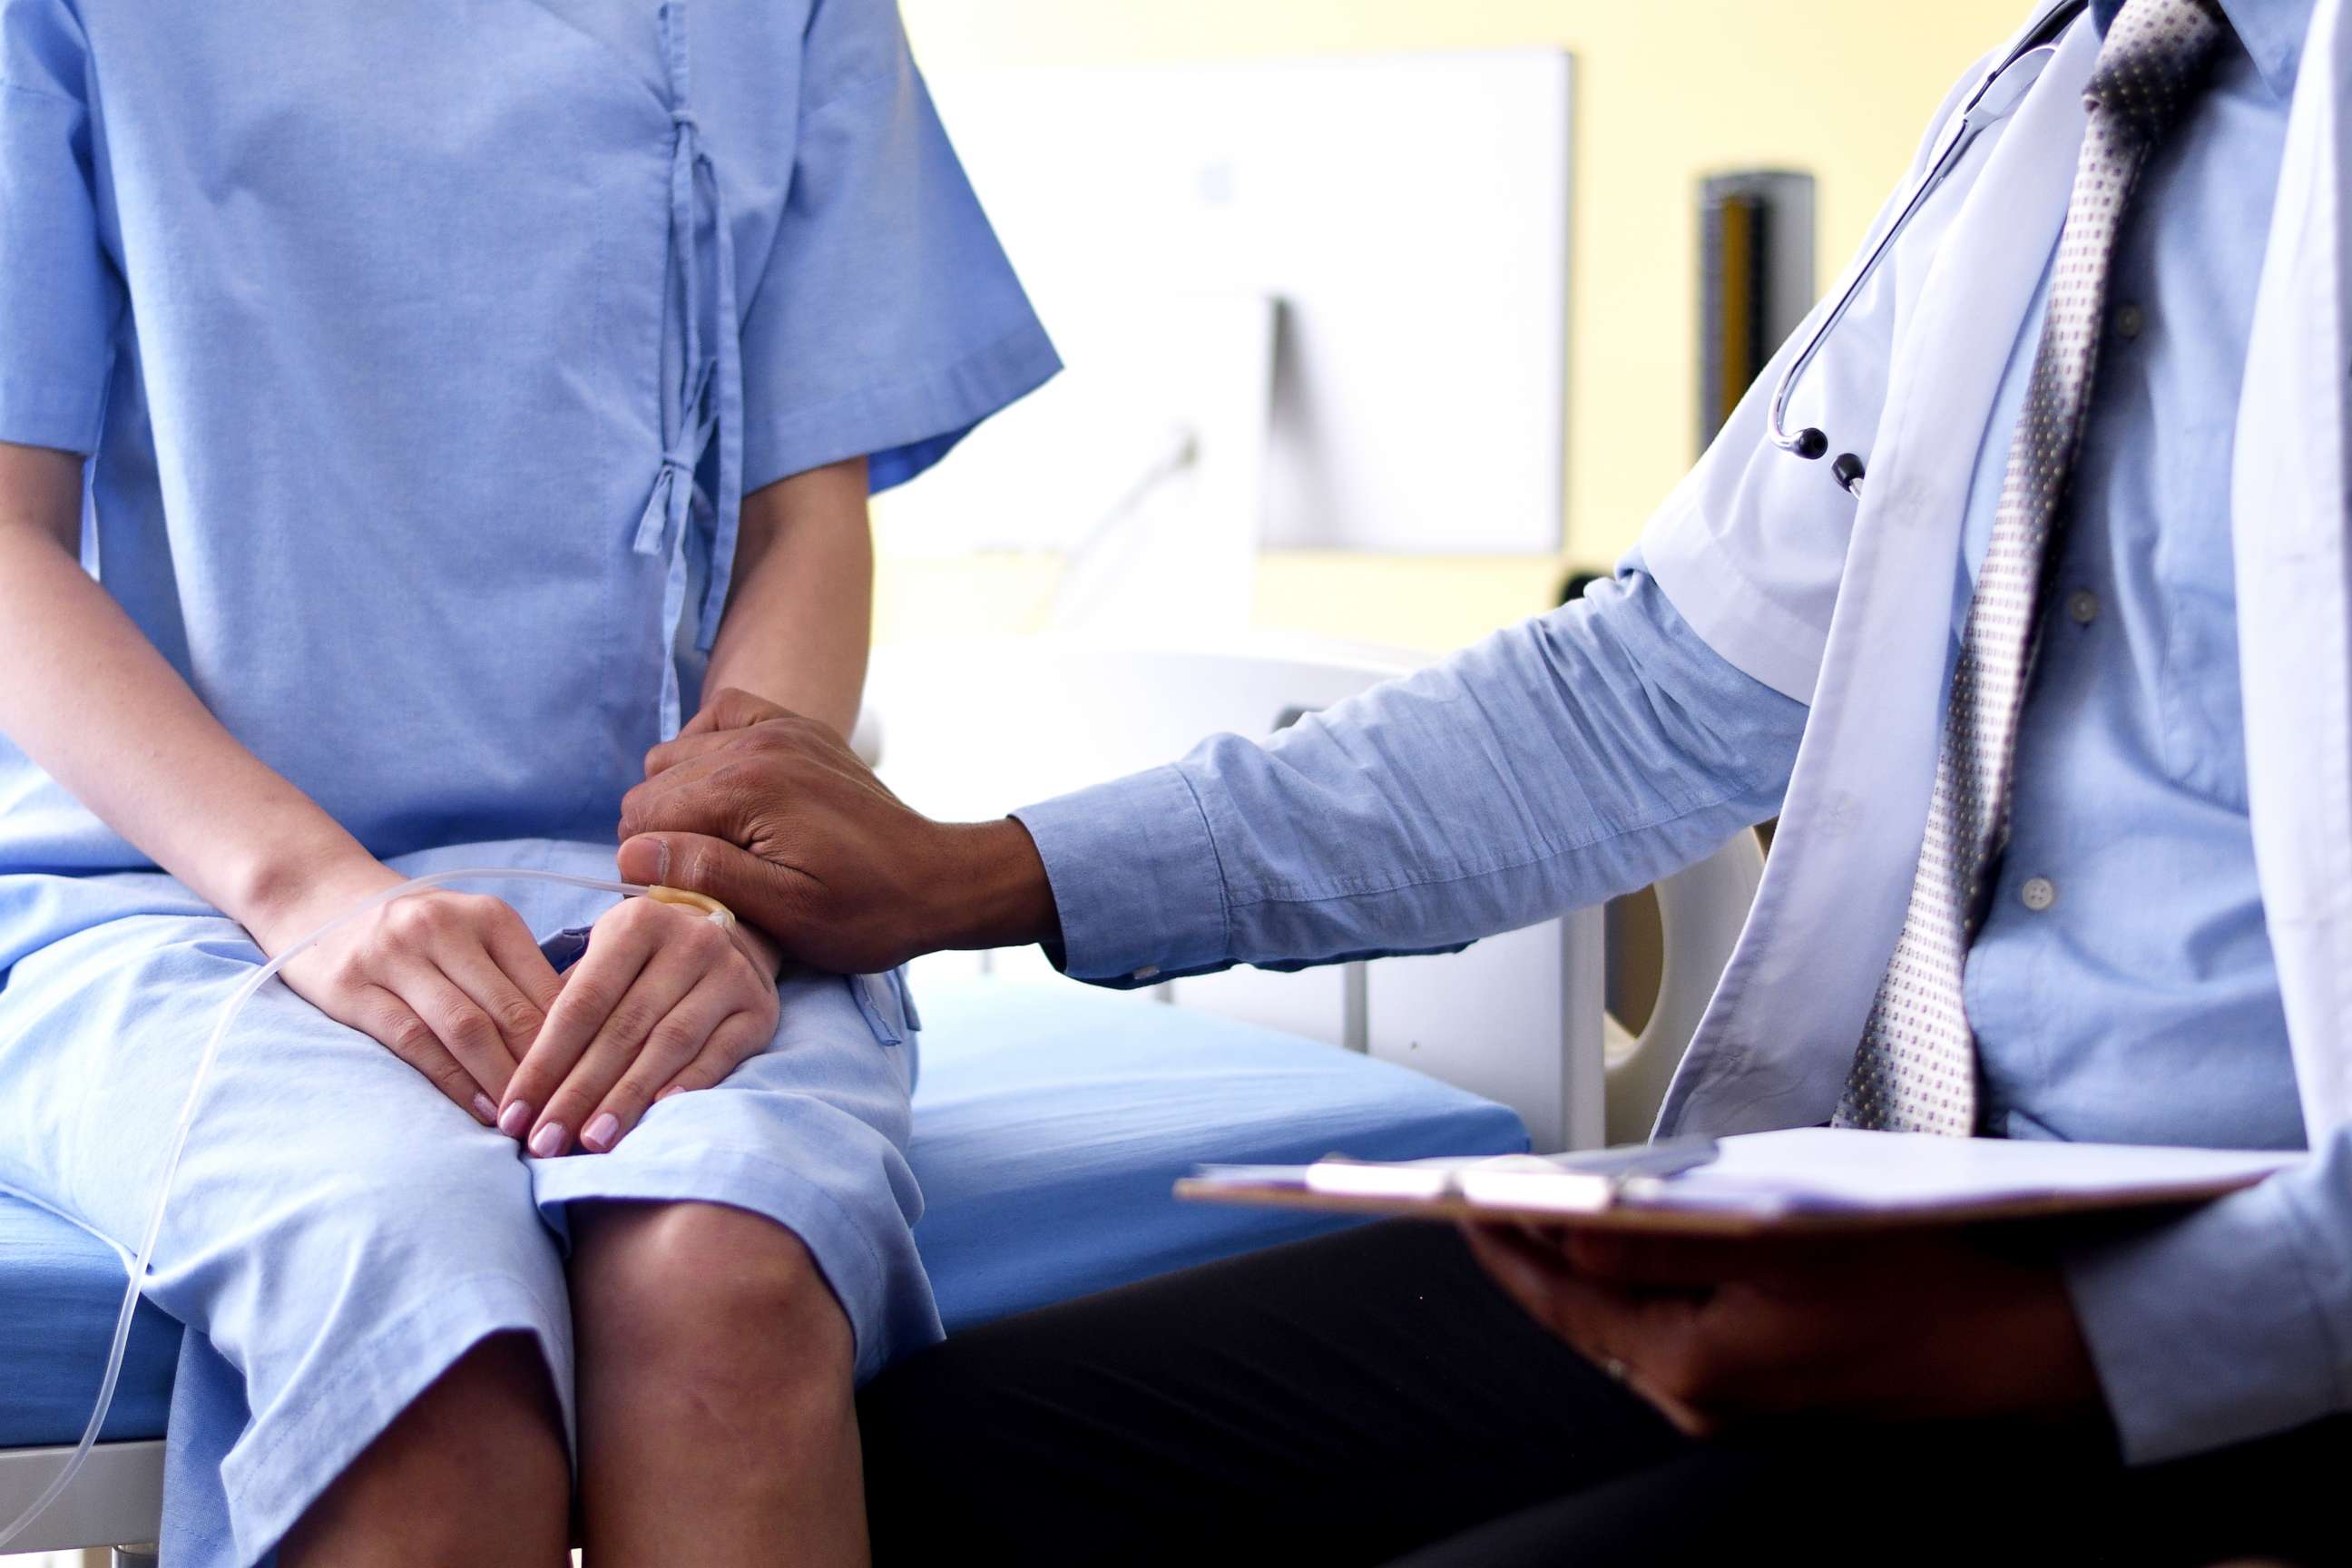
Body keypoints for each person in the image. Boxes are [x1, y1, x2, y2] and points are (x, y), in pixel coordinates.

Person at [613, 0, 2352, 1560]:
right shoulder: (2074, 112)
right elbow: (1652, 696)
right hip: (1917, 1209)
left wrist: (2098, 1343)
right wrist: (989, 872)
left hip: (2266, 1298)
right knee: (946, 1471)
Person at [0, 0, 1055, 1562]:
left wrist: (723, 882)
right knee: (426, 1337)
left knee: (726, 1280)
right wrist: (312, 894)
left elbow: (803, 523)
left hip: (668, 892)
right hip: (176, 883)